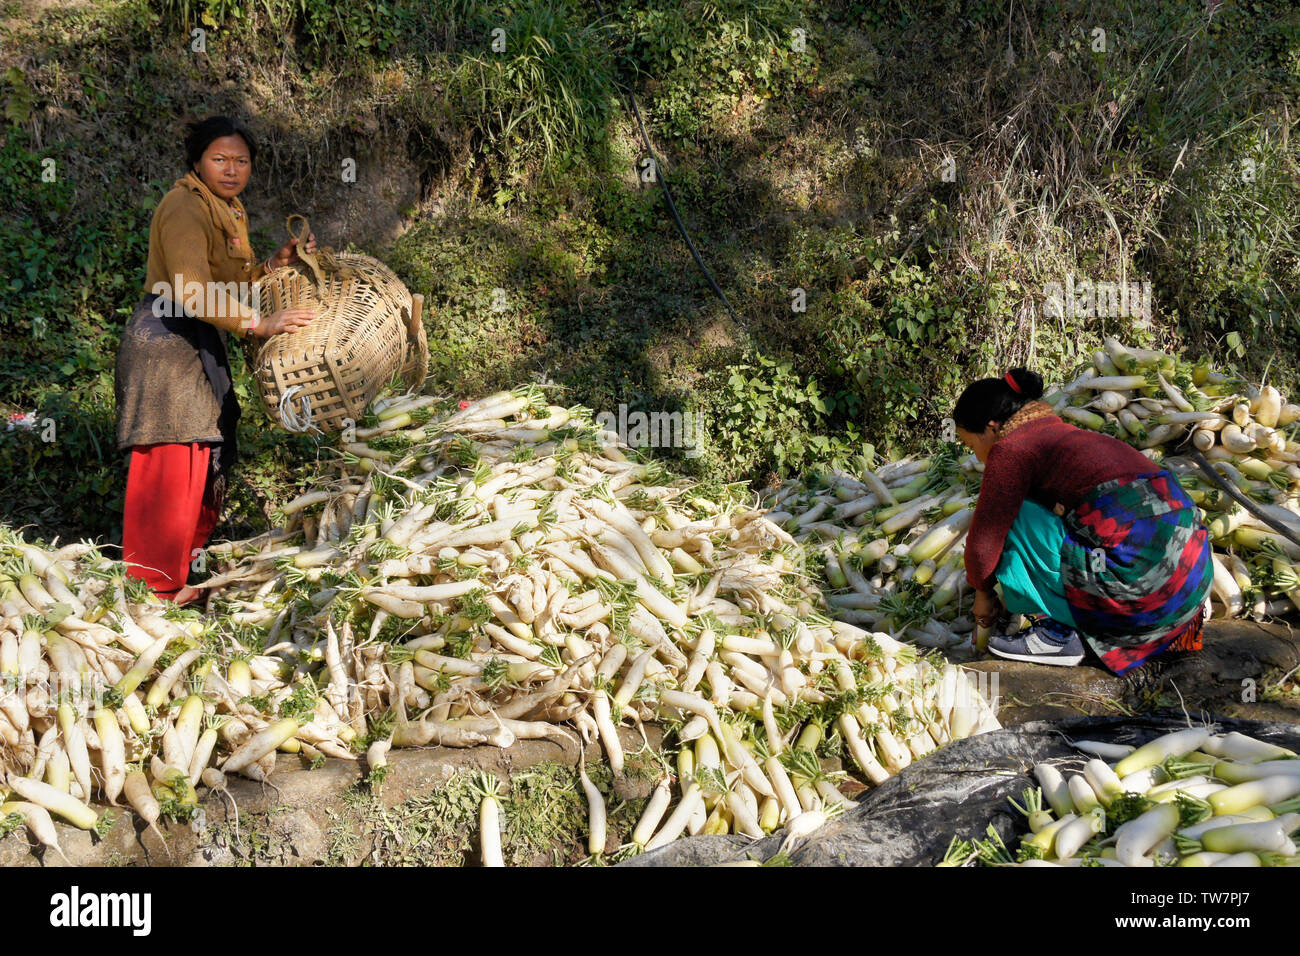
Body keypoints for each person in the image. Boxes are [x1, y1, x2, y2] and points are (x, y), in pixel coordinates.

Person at [114, 116, 318, 605]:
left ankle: (179, 575)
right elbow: (189, 289)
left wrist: (274, 265)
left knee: (201, 450)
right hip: (164, 342)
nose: (231, 169)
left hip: (195, 338)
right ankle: (153, 587)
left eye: (241, 161)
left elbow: (229, 281)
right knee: (172, 451)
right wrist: (258, 324)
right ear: (197, 162)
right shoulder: (185, 205)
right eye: (219, 159)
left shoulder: (228, 210)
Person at [953, 367, 1212, 673]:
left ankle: (1059, 633)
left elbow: (984, 543)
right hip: (1188, 588)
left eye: (972, 446)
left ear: (992, 427)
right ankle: (1133, 624)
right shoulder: (1061, 435)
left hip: (1144, 592)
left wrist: (982, 594)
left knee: (1017, 516)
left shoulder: (1011, 449)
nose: (978, 458)